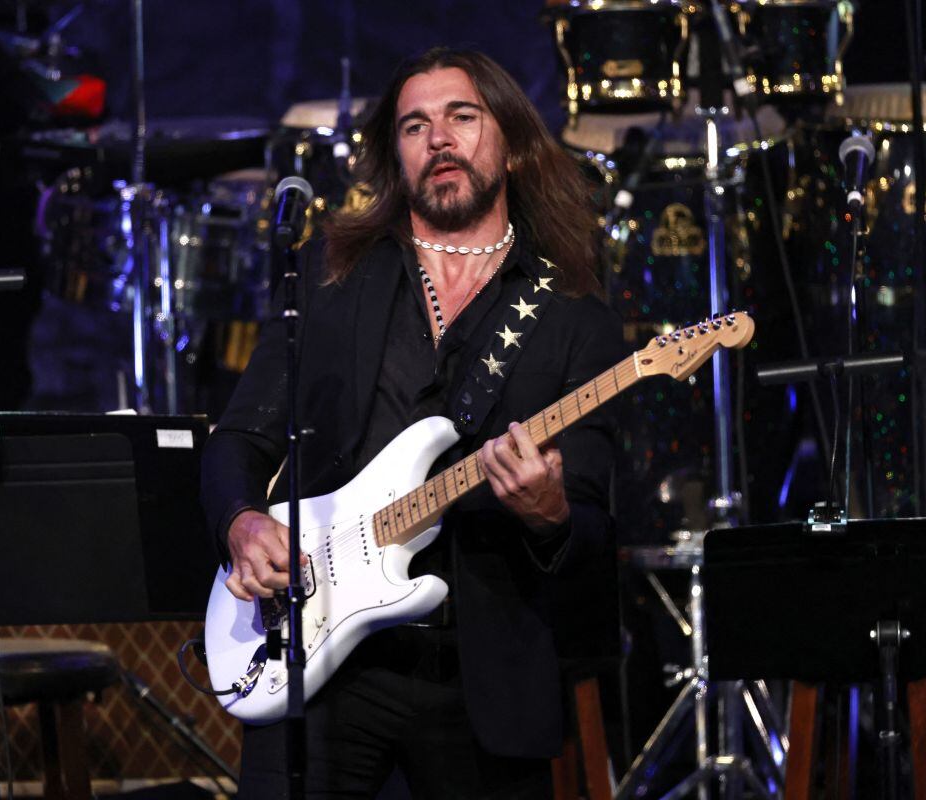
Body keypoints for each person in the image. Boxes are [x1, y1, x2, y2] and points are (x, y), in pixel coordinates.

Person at [201, 46, 624, 798]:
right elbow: (240, 437)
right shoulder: (333, 280)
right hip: (326, 666)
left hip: (479, 677)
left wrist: (549, 510)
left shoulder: (572, 312)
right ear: (394, 156)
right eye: (415, 126)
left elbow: (593, 524)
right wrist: (242, 524)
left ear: (512, 143)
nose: (440, 139)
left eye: (463, 117)